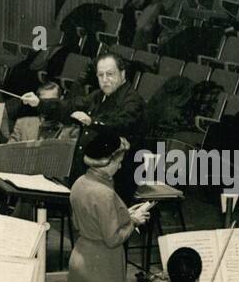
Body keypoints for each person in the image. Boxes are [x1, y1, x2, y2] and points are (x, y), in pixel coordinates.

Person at [61, 127, 151, 282]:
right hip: (102, 263)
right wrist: (134, 221)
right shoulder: (104, 192)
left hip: (82, 253)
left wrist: (124, 215)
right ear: (107, 161)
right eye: (118, 161)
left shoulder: (80, 183)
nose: (120, 166)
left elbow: (86, 221)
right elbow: (113, 238)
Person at [18, 52, 148, 195]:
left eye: (110, 74)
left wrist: (92, 122)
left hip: (114, 181)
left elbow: (119, 124)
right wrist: (39, 103)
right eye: (100, 75)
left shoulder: (133, 101)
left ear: (123, 74)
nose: (105, 80)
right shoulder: (99, 96)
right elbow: (71, 106)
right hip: (88, 175)